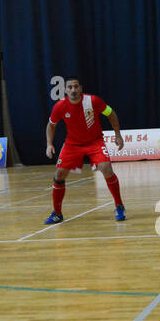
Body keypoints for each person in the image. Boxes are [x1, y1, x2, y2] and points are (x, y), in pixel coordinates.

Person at [44, 77, 126, 223]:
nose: (73, 90)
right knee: (59, 174)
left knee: (106, 168)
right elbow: (51, 125)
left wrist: (117, 135)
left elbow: (111, 113)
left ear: (80, 89)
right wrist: (49, 144)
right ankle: (57, 213)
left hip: (95, 142)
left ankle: (119, 206)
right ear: (65, 90)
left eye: (76, 87)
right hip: (72, 144)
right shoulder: (60, 106)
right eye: (70, 87)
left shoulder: (93, 101)